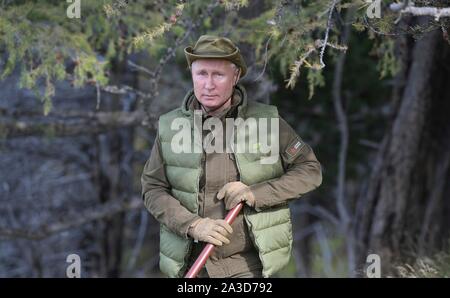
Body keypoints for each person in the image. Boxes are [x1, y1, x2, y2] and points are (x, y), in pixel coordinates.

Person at [141, 35, 322, 278]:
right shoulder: (170, 126)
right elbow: (153, 188)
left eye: (218, 75)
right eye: (201, 74)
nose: (208, 84)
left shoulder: (266, 122)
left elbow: (310, 171)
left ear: (235, 77)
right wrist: (192, 225)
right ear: (192, 75)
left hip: (248, 266)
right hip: (191, 265)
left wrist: (255, 193)